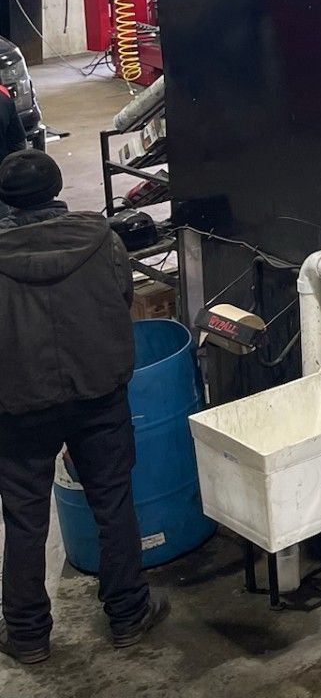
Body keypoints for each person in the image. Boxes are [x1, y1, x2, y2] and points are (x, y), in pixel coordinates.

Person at [0, 151, 167, 666]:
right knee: (113, 501)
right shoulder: (102, 240)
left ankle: (27, 635)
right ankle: (127, 615)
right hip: (97, 392)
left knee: (25, 517)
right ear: (55, 189)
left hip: (20, 403)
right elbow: (121, 299)